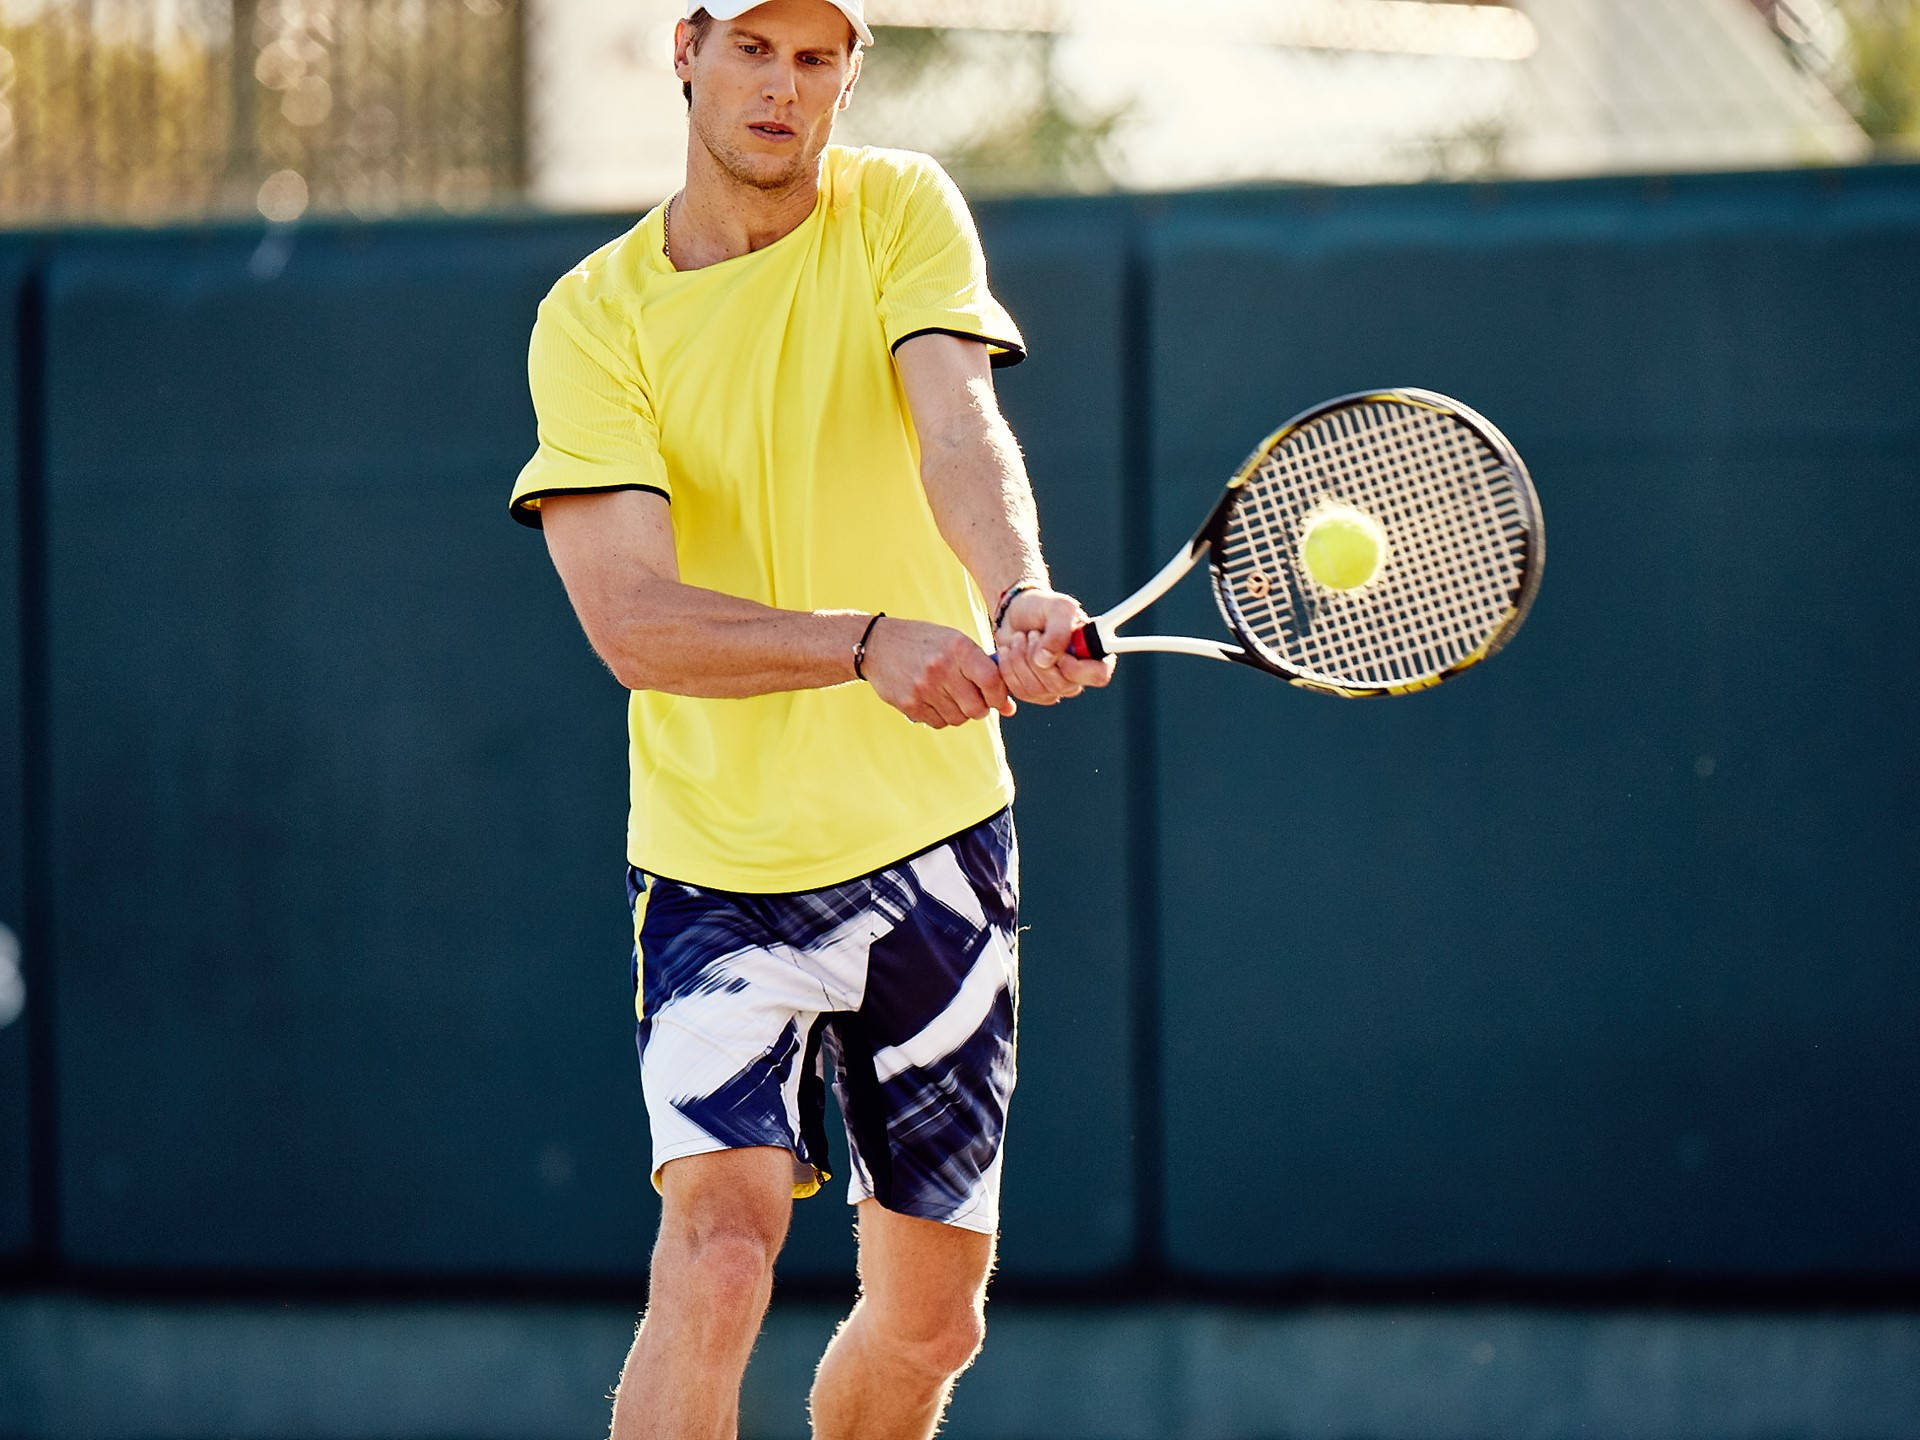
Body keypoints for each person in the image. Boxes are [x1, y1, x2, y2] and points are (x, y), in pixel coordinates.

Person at [508, 0, 1112, 1435]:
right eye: (755, 51)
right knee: (716, 1270)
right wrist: (863, 645)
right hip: (721, 869)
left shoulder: (901, 207)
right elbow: (632, 622)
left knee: (928, 1326)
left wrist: (1015, 592)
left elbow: (961, 426)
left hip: (939, 847)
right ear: (688, 51)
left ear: (851, 71)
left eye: (818, 56)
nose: (786, 88)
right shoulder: (594, 316)